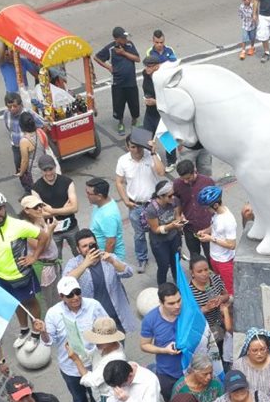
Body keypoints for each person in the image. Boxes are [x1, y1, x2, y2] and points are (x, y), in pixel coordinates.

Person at [0, 191, 49, 348]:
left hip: (21, 274)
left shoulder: (19, 225)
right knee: (16, 302)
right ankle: (24, 330)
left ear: (4, 207)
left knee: (30, 302)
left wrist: (34, 257)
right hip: (1, 276)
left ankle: (36, 332)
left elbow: (43, 237)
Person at [63, 229, 138, 335]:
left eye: (91, 244)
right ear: (78, 249)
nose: (89, 248)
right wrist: (85, 264)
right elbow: (65, 282)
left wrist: (113, 262)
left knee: (118, 349)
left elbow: (129, 272)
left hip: (115, 316)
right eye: (84, 246)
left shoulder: (108, 258)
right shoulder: (74, 263)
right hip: (92, 319)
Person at [115, 136, 166, 272]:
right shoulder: (123, 161)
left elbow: (161, 172)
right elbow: (119, 182)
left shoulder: (151, 156)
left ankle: (162, 255)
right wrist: (125, 200)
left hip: (154, 204)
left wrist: (154, 153)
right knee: (139, 235)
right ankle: (142, 259)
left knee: (158, 231)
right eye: (133, 147)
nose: (137, 150)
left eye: (139, 146)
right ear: (128, 147)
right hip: (135, 205)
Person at [141, 282, 185, 399]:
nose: (177, 306)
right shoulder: (150, 319)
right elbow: (144, 345)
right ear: (161, 302)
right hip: (167, 373)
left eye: (179, 300)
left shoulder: (187, 311)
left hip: (190, 368)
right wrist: (164, 350)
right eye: (171, 303)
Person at [95, 26, 141, 133]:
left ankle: (135, 120)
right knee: (118, 104)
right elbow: (97, 57)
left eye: (125, 37)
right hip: (118, 83)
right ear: (116, 39)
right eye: (123, 38)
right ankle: (120, 122)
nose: (125, 40)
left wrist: (124, 53)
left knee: (134, 103)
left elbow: (137, 59)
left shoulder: (130, 45)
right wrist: (108, 67)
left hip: (131, 81)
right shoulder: (110, 49)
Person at [197, 184, 239, 293]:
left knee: (229, 290)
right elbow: (215, 227)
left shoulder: (228, 220)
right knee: (219, 284)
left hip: (225, 261)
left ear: (215, 205)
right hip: (214, 257)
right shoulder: (217, 214)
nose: (206, 210)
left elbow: (231, 245)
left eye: (207, 208)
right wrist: (205, 231)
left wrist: (211, 239)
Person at [145, 180, 187, 286]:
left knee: (175, 262)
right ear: (161, 196)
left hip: (174, 237)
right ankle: (162, 287)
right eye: (169, 196)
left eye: (173, 194)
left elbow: (177, 214)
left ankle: (179, 284)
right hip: (159, 242)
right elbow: (155, 229)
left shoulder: (174, 201)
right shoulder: (151, 209)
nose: (172, 197)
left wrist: (180, 220)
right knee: (163, 265)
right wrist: (171, 226)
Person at [235, 329, 270, 402]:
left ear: (267, 349)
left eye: (262, 349)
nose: (259, 353)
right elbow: (235, 393)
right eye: (254, 350)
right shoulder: (239, 365)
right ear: (248, 350)